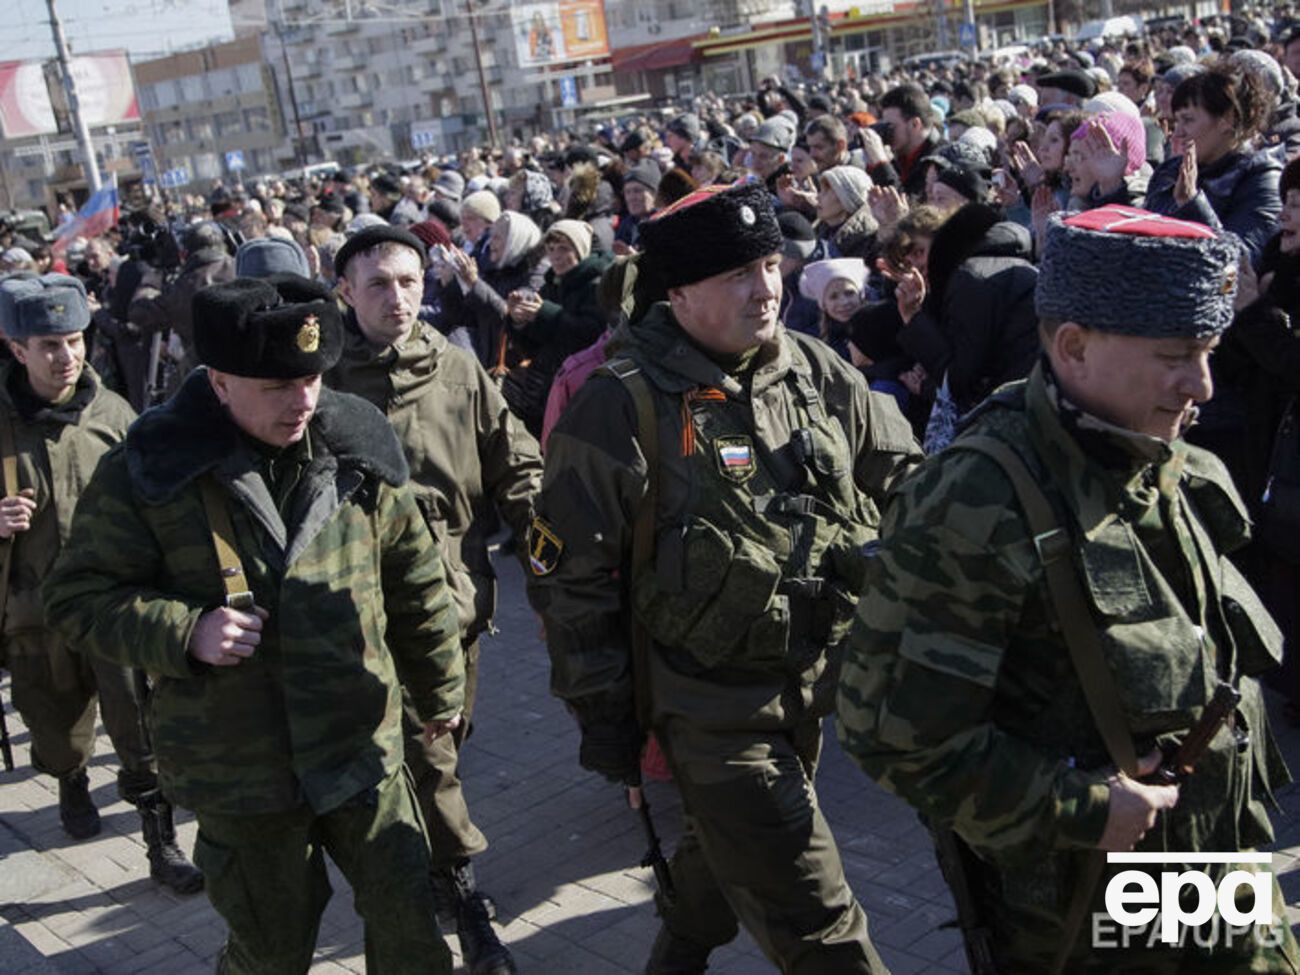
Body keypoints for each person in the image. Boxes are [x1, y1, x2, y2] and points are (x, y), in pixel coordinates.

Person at [837, 205, 1300, 972]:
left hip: (1211, 865)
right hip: (1089, 907)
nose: (1203, 384)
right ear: (1074, 347)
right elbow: (893, 734)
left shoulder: (1158, 456)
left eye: (1209, 351)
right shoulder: (978, 498)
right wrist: (1084, 806)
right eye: (1176, 354)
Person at [528, 181, 920, 973]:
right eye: (737, 275)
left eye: (771, 265)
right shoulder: (620, 406)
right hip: (708, 703)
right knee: (820, 920)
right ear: (677, 294)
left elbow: (905, 480)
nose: (765, 288)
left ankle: (675, 954)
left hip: (816, 679)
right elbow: (572, 584)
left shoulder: (813, 369)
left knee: (725, 842)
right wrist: (606, 720)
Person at [43, 273, 465, 975]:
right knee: (271, 951)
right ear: (218, 382)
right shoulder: (151, 471)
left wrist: (440, 691)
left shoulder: (354, 448)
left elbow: (415, 579)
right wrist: (183, 631)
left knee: (411, 931)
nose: (302, 401)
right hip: (241, 771)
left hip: (360, 750)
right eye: (276, 386)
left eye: (310, 379)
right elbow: (76, 597)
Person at [327, 225, 541, 974]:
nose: (398, 297)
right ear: (346, 293)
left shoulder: (456, 368)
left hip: (457, 600)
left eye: (411, 281)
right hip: (365, 610)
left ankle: (432, 854)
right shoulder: (322, 386)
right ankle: (465, 893)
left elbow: (512, 458)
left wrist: (547, 537)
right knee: (428, 749)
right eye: (379, 283)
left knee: (447, 742)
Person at [0, 273, 202, 893]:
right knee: (55, 726)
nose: (67, 357)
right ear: (16, 350)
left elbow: (161, 500)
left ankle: (159, 840)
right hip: (35, 610)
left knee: (140, 726)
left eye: (74, 340)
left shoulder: (115, 415)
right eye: (50, 346)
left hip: (114, 607)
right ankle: (69, 777)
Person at [1146, 64, 1282, 266]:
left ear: (1226, 120)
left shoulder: (1261, 178)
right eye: (1177, 122)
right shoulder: (1169, 171)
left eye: (1188, 120)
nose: (1177, 133)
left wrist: (1192, 204)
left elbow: (1241, 261)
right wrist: (1112, 186)